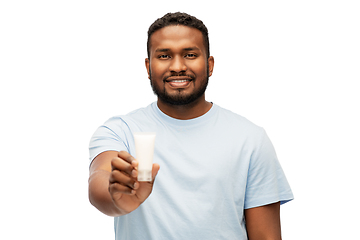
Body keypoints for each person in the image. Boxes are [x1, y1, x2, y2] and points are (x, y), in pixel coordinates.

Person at [88, 12, 293, 240]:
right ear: (148, 67)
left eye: (190, 54)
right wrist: (117, 199)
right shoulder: (121, 130)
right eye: (164, 55)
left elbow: (266, 236)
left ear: (210, 64)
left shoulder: (250, 139)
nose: (177, 66)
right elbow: (99, 182)